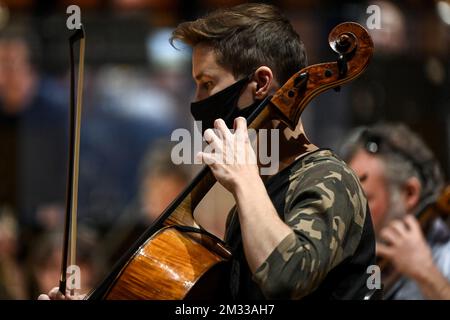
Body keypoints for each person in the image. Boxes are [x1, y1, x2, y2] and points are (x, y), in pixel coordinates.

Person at [40, 3, 375, 300]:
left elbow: (286, 279)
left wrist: (245, 181)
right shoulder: (253, 201)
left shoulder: (330, 179)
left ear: (260, 83)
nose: (197, 102)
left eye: (207, 84)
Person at [340, 122, 450, 299]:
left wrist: (426, 274)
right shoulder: (367, 265)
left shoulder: (445, 258)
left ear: (409, 193)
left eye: (362, 200)